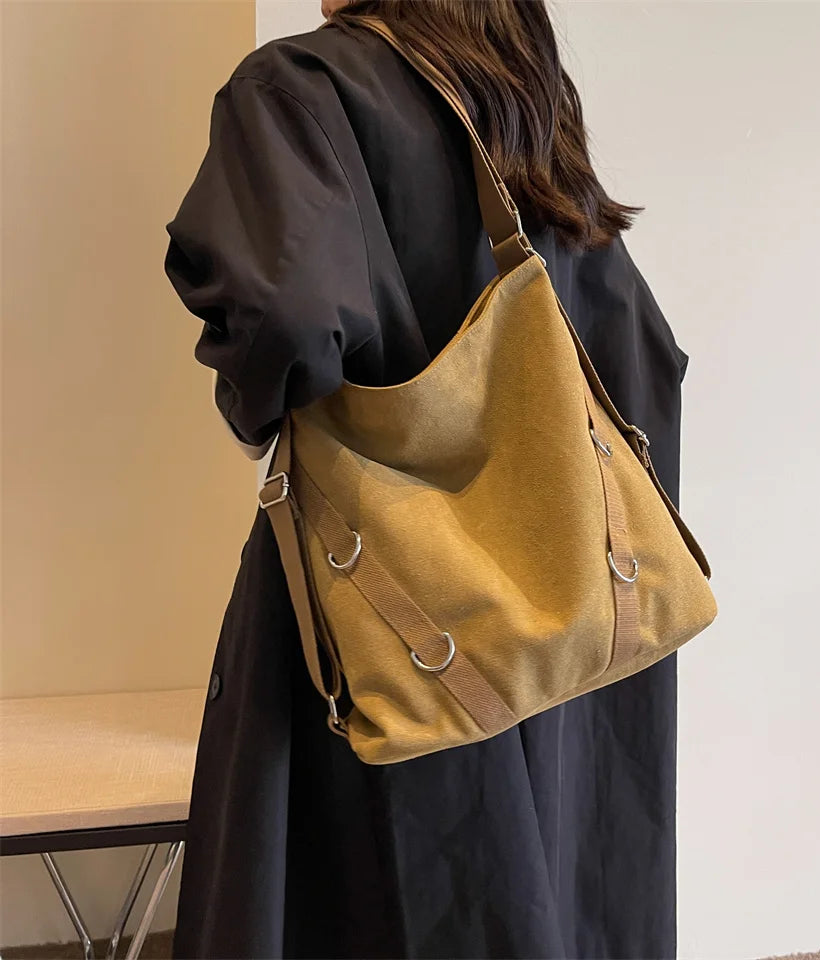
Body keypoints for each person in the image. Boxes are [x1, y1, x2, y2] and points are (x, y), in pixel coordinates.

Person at [163, 1, 691, 957]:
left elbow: (287, 318)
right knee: (545, 879)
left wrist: (257, 417)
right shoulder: (528, 104)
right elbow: (642, 348)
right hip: (563, 600)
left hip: (387, 597)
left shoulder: (300, 89)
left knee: (369, 881)